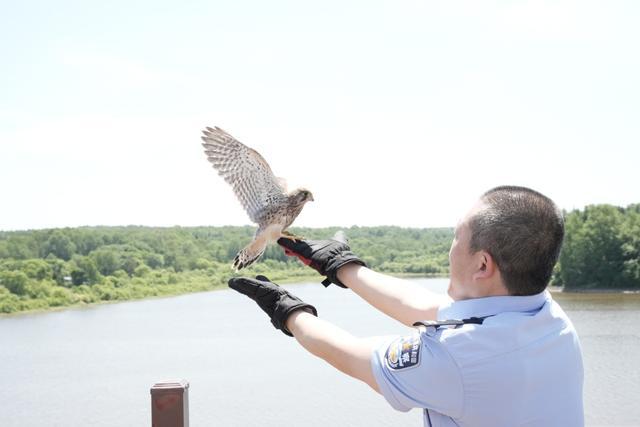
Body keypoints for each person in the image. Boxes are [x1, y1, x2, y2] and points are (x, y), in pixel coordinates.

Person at [228, 186, 584, 426]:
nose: (450, 249)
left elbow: (349, 354)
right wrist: (344, 267)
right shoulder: (550, 318)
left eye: (456, 238)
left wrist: (284, 307)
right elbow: (432, 310)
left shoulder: (461, 358)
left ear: (482, 265)